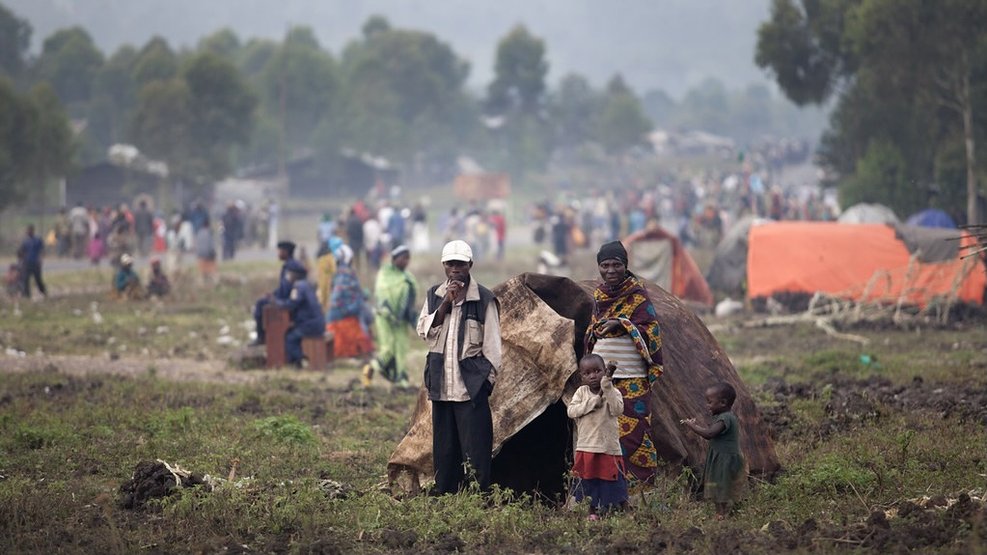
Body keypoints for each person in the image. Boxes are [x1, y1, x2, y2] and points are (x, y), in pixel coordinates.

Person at [416, 240, 501, 495]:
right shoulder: (434, 295)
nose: (455, 269)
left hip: (470, 388)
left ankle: (477, 495)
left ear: (470, 265)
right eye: (451, 264)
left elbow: (493, 347)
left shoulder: (484, 298)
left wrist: (486, 382)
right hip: (441, 386)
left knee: (475, 447)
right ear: (444, 266)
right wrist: (445, 304)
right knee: (444, 446)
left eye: (460, 264)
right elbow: (424, 332)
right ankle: (445, 493)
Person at [585, 240, 663, 491]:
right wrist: (595, 331)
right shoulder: (599, 295)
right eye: (605, 265)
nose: (610, 270)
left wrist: (623, 325)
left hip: (633, 379)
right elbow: (592, 328)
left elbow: (652, 331)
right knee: (604, 434)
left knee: (636, 435)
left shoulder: (638, 294)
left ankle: (642, 491)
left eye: (616, 265)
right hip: (604, 380)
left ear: (626, 265)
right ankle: (610, 490)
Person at [568, 355, 628, 519]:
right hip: (587, 446)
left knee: (613, 481)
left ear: (604, 372)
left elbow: (617, 410)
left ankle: (621, 510)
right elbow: (571, 411)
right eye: (587, 373)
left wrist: (607, 389)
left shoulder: (613, 392)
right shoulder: (581, 392)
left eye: (597, 371)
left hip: (608, 447)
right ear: (582, 376)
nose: (593, 376)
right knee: (589, 480)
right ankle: (592, 511)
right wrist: (591, 403)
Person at [682, 382, 746, 520]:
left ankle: (722, 514)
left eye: (710, 402)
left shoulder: (725, 418)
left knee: (720, 484)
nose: (707, 405)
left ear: (723, 403)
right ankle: (722, 512)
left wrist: (692, 426)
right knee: (719, 484)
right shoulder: (724, 417)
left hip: (725, 458)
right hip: (721, 456)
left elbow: (709, 434)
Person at [362, 245, 417, 388]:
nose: (406, 262)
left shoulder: (408, 277)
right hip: (385, 317)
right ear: (394, 259)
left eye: (407, 259)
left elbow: (411, 299)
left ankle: (401, 379)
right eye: (403, 258)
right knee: (388, 348)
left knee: (401, 348)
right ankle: (370, 369)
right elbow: (382, 296)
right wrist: (389, 312)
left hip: (401, 320)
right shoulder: (384, 274)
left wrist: (412, 317)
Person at [325, 244, 374, 359]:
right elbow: (349, 295)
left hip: (340, 312)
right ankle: (365, 353)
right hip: (346, 313)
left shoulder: (338, 273)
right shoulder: (346, 273)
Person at [276, 259, 326, 368]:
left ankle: (299, 361)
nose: (287, 276)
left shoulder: (298, 287)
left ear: (295, 275)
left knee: (290, 338)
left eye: (289, 274)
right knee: (294, 334)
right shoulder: (308, 285)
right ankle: (297, 361)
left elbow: (292, 304)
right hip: (317, 323)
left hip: (310, 325)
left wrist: (277, 302)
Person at [251, 241, 296, 346]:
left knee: (260, 304)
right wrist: (273, 294)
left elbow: (286, 289)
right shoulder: (290, 265)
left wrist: (275, 297)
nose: (278, 253)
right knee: (262, 301)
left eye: (280, 251)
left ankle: (261, 337)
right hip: (284, 298)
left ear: (286, 252)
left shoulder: (291, 267)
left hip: (287, 301)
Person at [18, 225, 47, 299]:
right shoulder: (25, 241)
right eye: (27, 231)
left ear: (32, 231)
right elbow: (21, 252)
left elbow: (42, 250)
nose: (28, 232)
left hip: (35, 262)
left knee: (38, 279)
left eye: (29, 230)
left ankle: (43, 292)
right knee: (25, 279)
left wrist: (40, 259)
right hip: (27, 263)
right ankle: (26, 295)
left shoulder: (37, 240)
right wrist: (21, 261)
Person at [314, 237, 341, 308]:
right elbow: (334, 270)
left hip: (320, 280)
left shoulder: (319, 257)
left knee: (321, 297)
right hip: (328, 280)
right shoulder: (329, 257)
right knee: (327, 298)